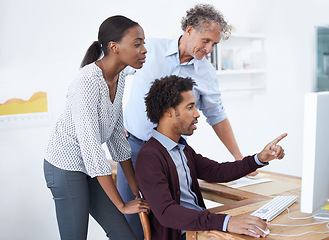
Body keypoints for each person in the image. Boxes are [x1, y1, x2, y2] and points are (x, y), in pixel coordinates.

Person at [117, 4, 250, 239]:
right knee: (131, 226)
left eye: (214, 44)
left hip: (173, 150)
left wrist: (240, 158)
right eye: (206, 40)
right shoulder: (150, 50)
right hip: (135, 148)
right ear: (189, 30)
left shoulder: (205, 72)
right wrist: (117, 122)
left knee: (171, 218)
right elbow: (114, 74)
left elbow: (216, 115)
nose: (209, 49)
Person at [135, 75, 287, 240]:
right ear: (169, 112)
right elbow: (167, 213)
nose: (197, 114)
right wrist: (227, 222)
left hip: (200, 230)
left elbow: (217, 171)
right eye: (190, 107)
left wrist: (259, 158)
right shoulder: (149, 157)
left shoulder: (182, 148)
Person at [43, 15, 149, 240]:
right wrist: (121, 205)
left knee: (125, 236)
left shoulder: (118, 78)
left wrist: (135, 187)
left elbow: (118, 138)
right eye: (137, 43)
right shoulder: (88, 81)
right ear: (114, 47)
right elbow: (91, 150)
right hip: (65, 166)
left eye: (143, 43)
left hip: (91, 169)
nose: (144, 49)